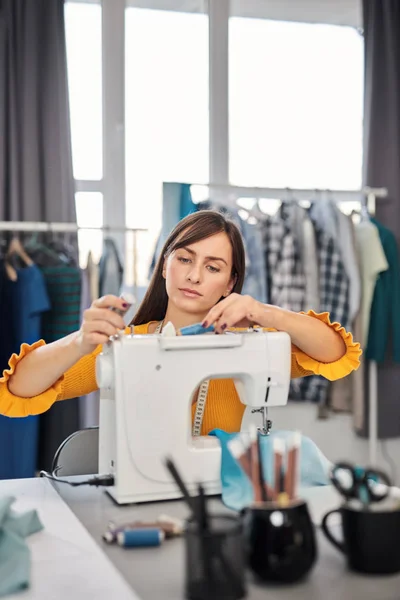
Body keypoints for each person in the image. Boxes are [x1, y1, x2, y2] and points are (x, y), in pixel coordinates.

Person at [0, 210, 361, 434]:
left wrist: (262, 312)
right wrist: (81, 340)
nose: (195, 276)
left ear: (230, 283)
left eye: (213, 267)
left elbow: (335, 351)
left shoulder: (248, 344)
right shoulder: (126, 344)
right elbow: (18, 389)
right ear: (164, 264)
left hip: (217, 497)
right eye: (185, 259)